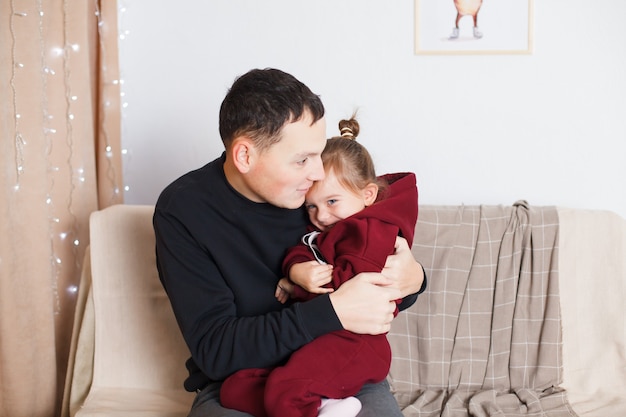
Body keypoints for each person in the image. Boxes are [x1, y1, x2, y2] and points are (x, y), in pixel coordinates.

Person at [153, 68, 426, 417]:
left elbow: (370, 272)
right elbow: (216, 351)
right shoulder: (185, 211)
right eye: (302, 160)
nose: (317, 173)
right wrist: (331, 312)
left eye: (319, 153)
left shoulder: (322, 199)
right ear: (245, 157)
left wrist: (415, 278)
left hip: (339, 368)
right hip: (240, 381)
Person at [219, 116, 425, 417]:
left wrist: (299, 285)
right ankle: (327, 404)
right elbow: (303, 249)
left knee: (286, 394)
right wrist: (294, 270)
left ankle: (313, 404)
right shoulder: (333, 228)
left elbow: (354, 290)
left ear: (367, 195)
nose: (321, 215)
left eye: (331, 202)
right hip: (321, 338)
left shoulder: (371, 232)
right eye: (312, 206)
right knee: (236, 388)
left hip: (355, 342)